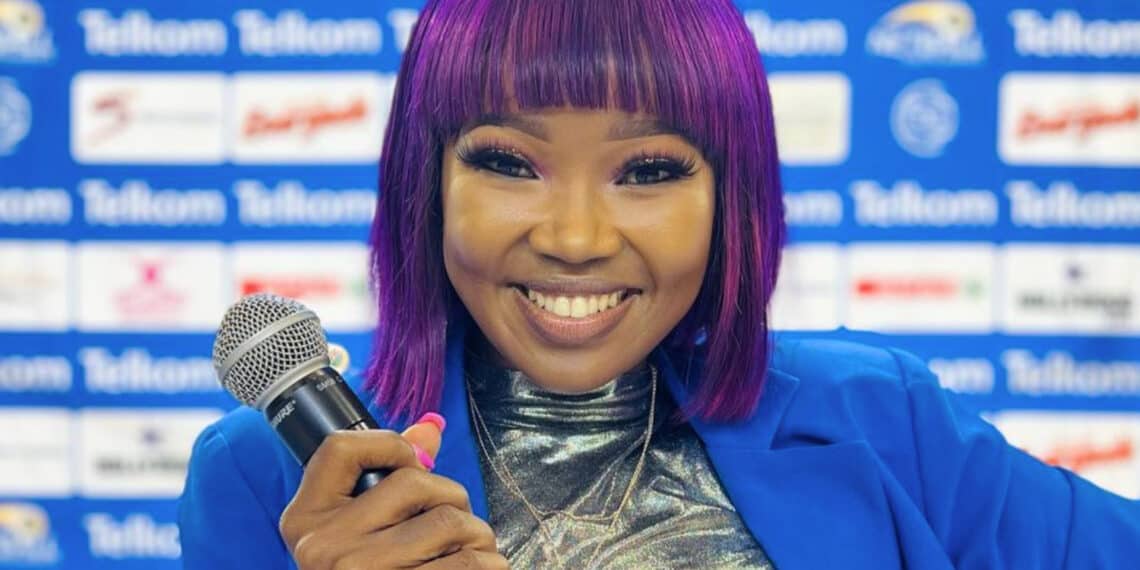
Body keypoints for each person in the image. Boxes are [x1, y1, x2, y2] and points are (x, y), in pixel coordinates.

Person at [179, 0, 1140, 568]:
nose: (576, 239)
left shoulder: (885, 416)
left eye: (648, 171)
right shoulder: (263, 478)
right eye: (509, 163)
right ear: (425, 185)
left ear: (732, 197)